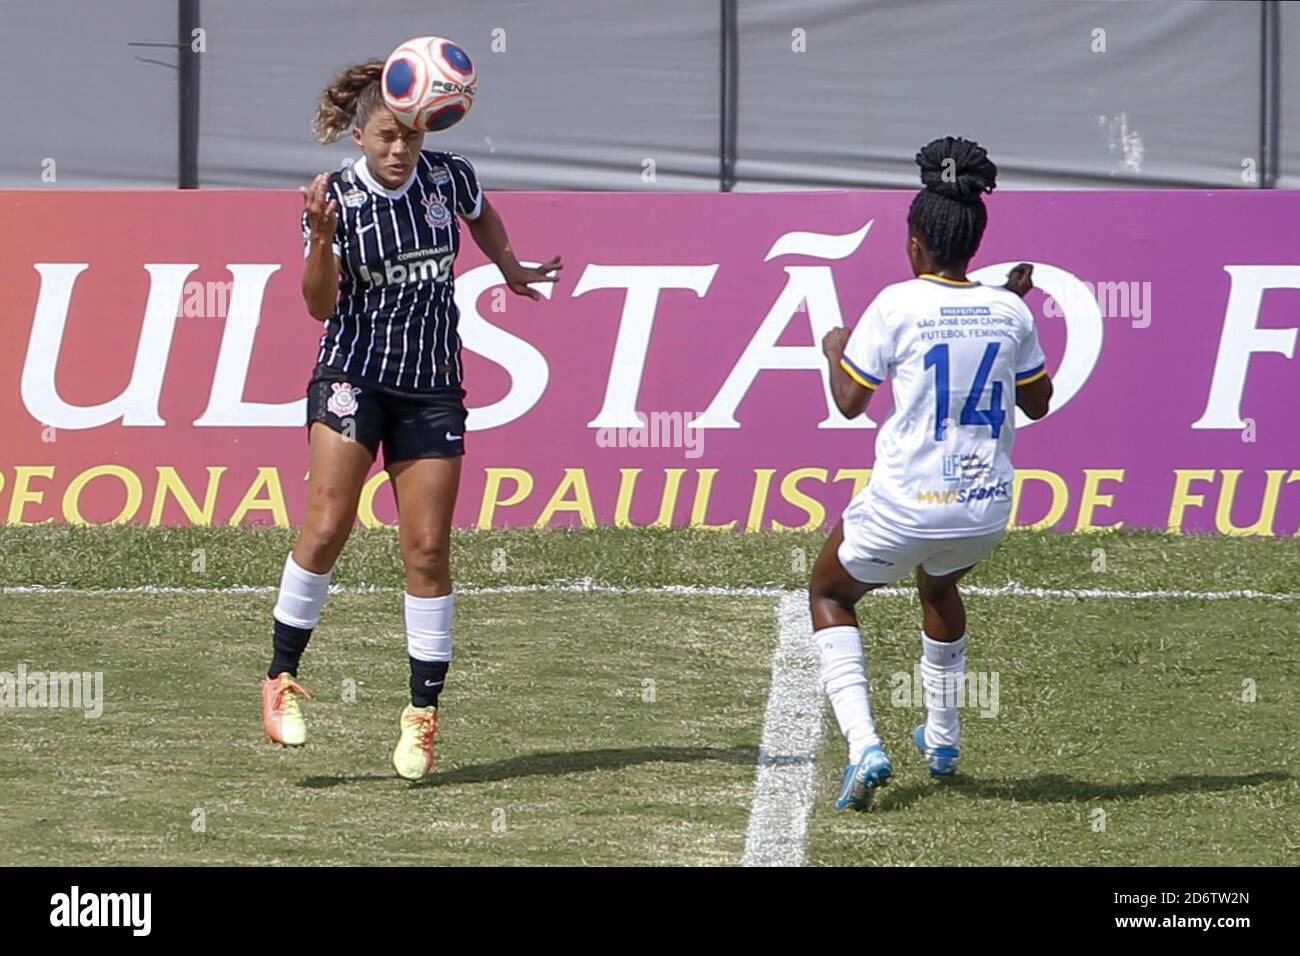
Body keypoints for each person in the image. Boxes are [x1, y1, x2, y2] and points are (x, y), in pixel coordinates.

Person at [260, 58, 562, 780]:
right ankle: (278, 679)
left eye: (411, 138)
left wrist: (510, 265)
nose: (400, 151)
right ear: (359, 135)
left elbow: (481, 212)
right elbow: (318, 306)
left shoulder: (446, 177)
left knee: (427, 551)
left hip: (432, 388)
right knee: (328, 525)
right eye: (387, 138)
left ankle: (422, 716)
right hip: (352, 377)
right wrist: (321, 238)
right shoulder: (333, 199)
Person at [813, 136, 1052, 810]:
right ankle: (942, 739)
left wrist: (833, 350)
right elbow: (1038, 402)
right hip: (982, 509)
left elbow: (850, 400)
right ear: (974, 241)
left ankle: (865, 746)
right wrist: (1010, 314)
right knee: (939, 586)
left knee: (831, 595)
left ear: (916, 243)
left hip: (905, 502)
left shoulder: (894, 305)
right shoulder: (1011, 308)